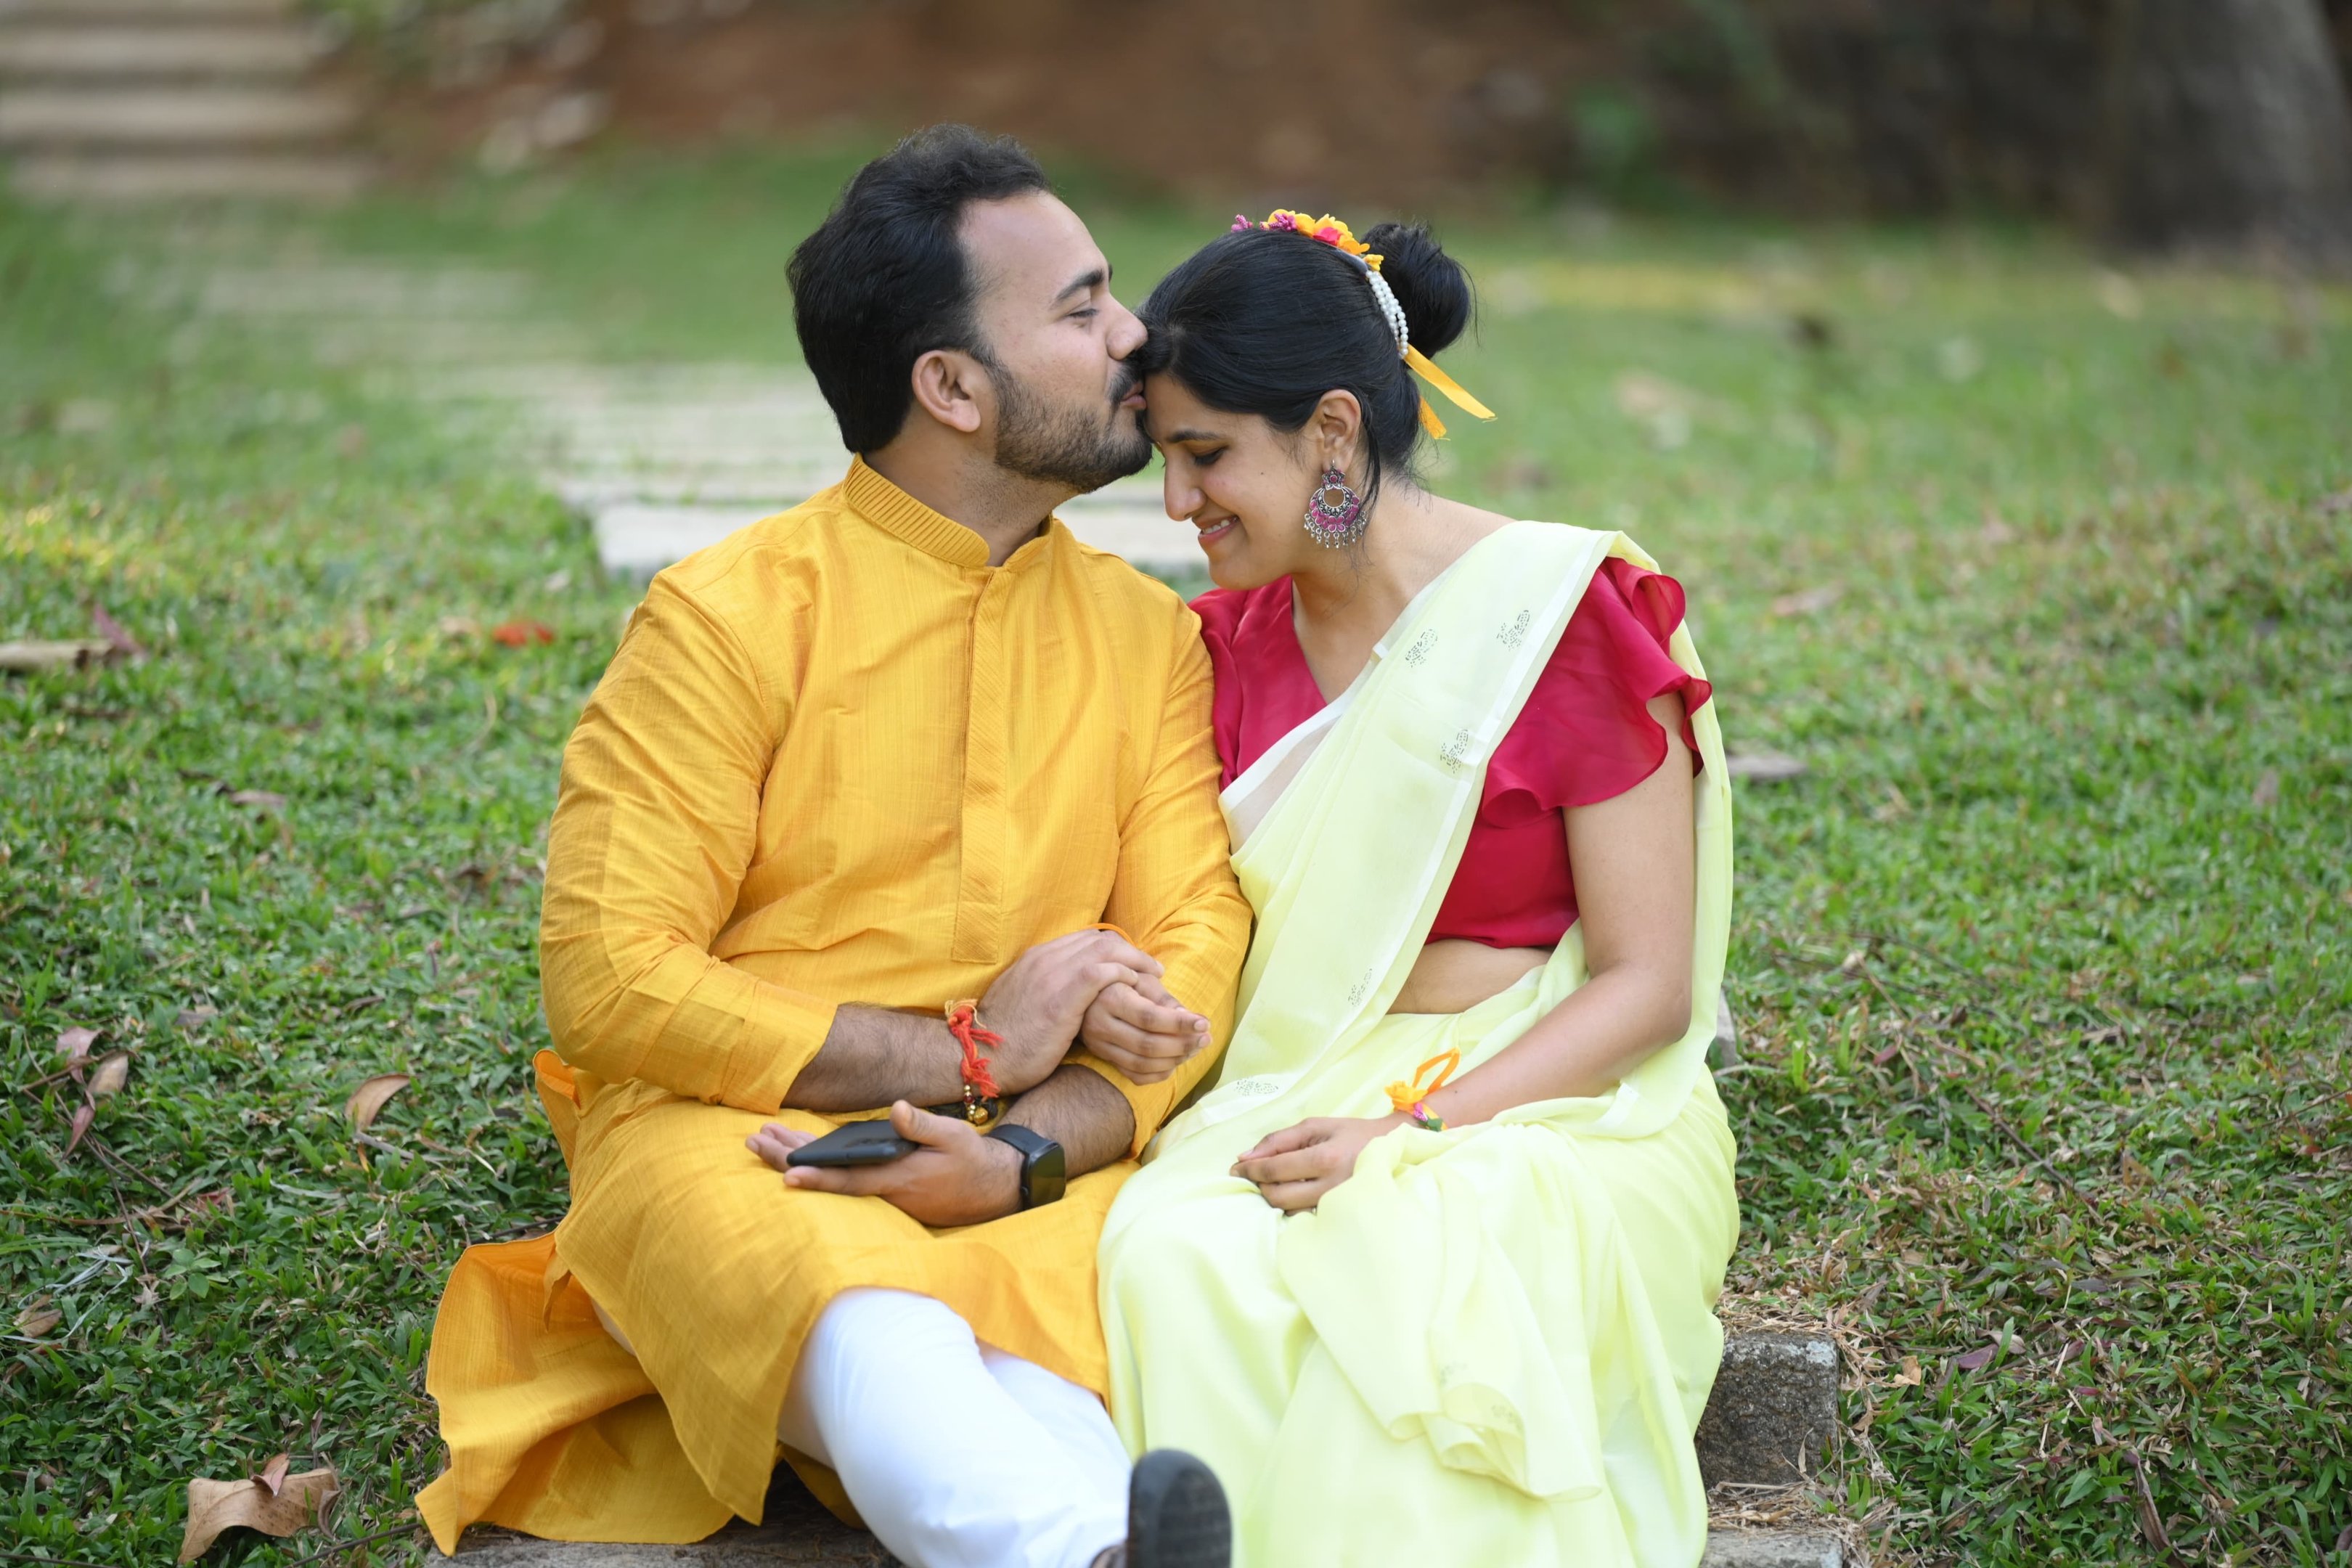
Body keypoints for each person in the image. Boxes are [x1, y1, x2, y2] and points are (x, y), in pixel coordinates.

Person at [415, 126, 1252, 1568]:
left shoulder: (1144, 637)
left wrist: (1027, 1147)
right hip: (738, 1139)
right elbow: (610, 978)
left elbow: (1198, 943)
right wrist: (969, 1054)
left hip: (1041, 1154)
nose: (1137, 336)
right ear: (951, 388)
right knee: (867, 1318)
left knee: (1054, 1344)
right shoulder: (728, 618)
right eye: (1082, 310)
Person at [1095, 210, 1741, 1567]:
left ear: (1332, 430)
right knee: (1174, 1253)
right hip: (1302, 1073)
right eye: (1165, 460)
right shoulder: (1215, 649)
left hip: (1552, 1095)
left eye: (1207, 455)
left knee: (1434, 1245)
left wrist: (1414, 1132)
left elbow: (1649, 985)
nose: (1177, 503)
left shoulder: (1560, 614)